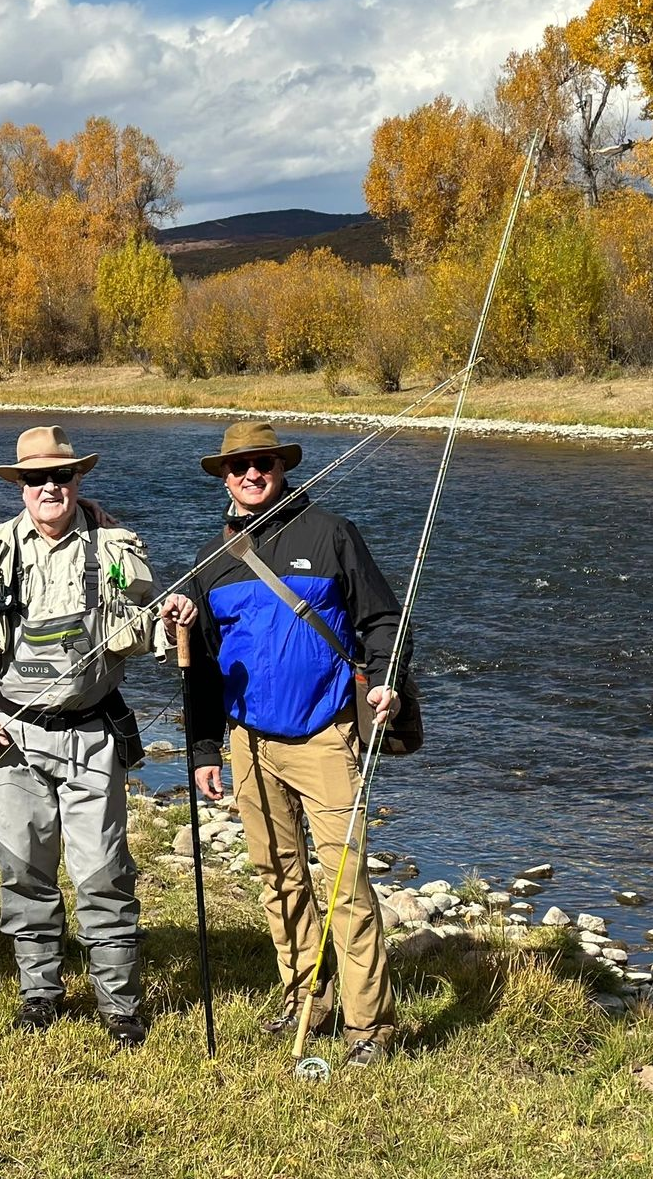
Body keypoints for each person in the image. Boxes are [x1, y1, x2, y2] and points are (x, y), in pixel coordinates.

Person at [178, 419, 408, 1067]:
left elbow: (383, 619)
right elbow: (200, 667)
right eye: (238, 466)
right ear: (223, 476)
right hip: (249, 744)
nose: (251, 475)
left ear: (282, 467)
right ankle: (306, 992)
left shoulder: (332, 535)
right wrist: (202, 752)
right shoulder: (210, 562)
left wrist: (386, 679)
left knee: (345, 887)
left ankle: (370, 1028)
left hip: (326, 737)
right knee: (277, 877)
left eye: (263, 463)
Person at [0, 425, 162, 1046]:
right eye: (36, 479)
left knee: (104, 872)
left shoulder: (117, 548)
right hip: (11, 739)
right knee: (24, 871)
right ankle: (40, 993)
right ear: (20, 486)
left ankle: (118, 1003)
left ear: (78, 480)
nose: (49, 488)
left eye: (60, 477)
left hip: (92, 736)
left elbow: (150, 633)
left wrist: (171, 621)